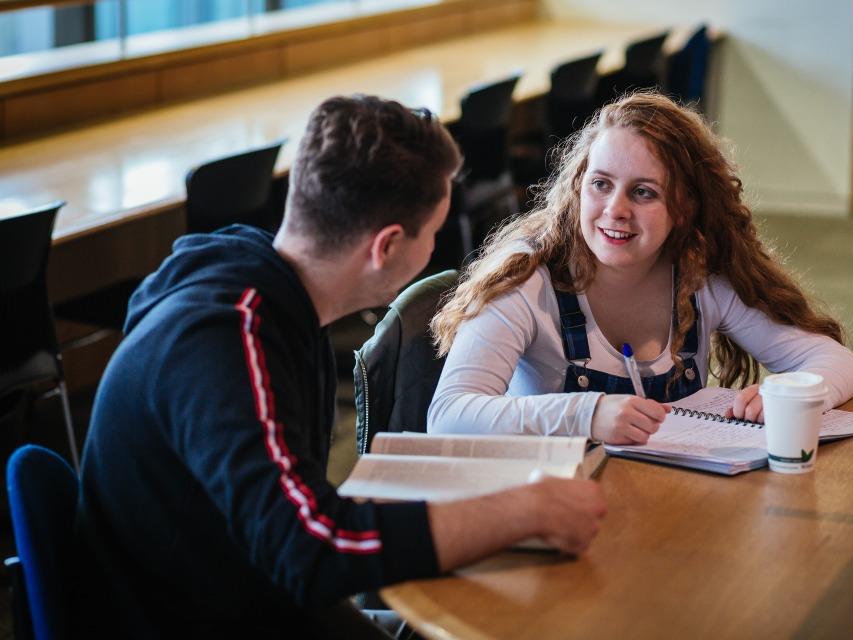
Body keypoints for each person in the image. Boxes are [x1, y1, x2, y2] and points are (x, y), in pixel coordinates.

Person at [72, 95, 605, 637]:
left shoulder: (264, 287)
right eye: (433, 233)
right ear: (388, 246)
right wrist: (525, 511)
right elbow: (311, 552)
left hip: (239, 589)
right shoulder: (226, 340)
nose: (433, 250)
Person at [428, 90, 853, 445]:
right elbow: (448, 415)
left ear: (684, 207)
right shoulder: (526, 276)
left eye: (643, 193)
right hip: (557, 507)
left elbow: (835, 362)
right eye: (600, 185)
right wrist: (586, 414)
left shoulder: (700, 272)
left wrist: (788, 395)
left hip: (669, 505)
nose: (614, 210)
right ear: (578, 187)